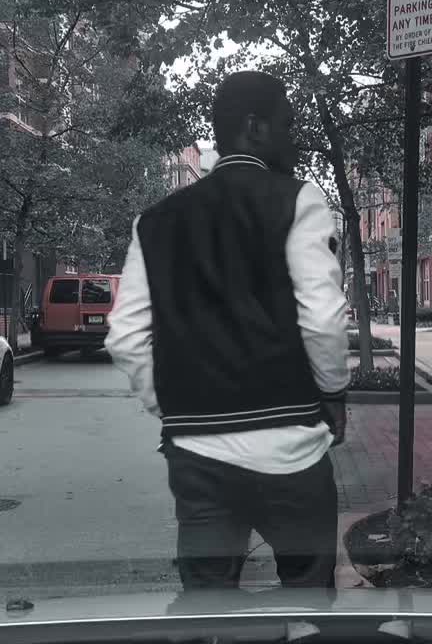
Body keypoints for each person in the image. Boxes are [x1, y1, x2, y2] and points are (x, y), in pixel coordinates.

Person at [107, 70, 349, 591]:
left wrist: (176, 407)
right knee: (309, 601)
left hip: (199, 460)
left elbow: (125, 336)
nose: (293, 138)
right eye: (287, 125)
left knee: (206, 609)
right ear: (255, 127)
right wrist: (333, 395)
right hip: (292, 452)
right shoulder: (298, 200)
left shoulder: (155, 221)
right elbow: (323, 318)